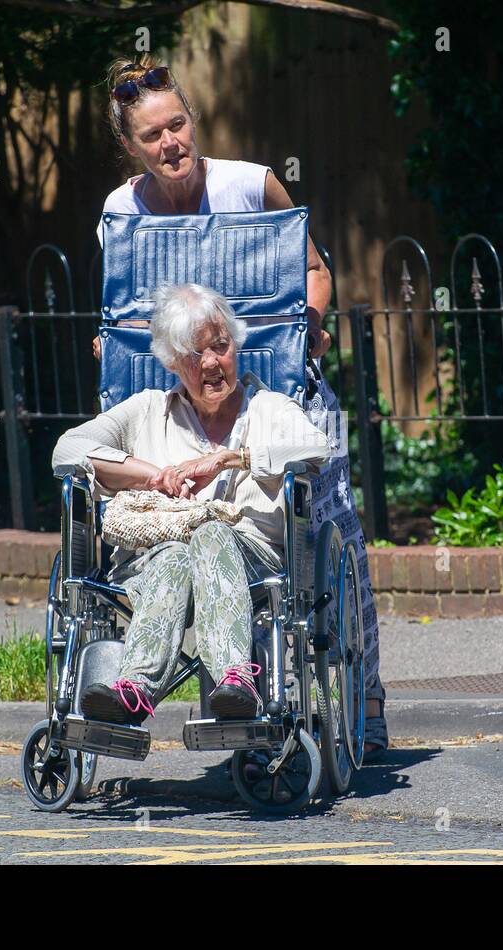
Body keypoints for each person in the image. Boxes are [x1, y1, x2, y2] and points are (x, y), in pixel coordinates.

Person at [93, 55, 390, 757]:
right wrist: (104, 346)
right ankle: (192, 677)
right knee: (187, 539)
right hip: (179, 410)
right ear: (130, 146)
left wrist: (309, 327)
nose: (171, 143)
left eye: (178, 124)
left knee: (338, 536)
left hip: (273, 397)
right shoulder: (120, 213)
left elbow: (315, 267)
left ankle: (368, 702)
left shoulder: (249, 185)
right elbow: (121, 313)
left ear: (193, 118)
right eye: (152, 135)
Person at [52, 284, 331, 724]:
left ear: (235, 345)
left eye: (220, 347)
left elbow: (318, 448)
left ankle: (234, 682)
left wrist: (231, 458)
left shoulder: (270, 410)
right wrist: (150, 474)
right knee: (179, 554)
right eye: (193, 354)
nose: (211, 363)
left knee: (212, 533)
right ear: (172, 363)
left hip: (254, 561)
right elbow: (67, 450)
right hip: (152, 566)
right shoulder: (146, 412)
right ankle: (134, 692)